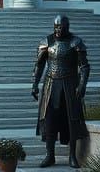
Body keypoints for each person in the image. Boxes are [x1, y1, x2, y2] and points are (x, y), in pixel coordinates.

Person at [31, 14, 90, 167]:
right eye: (56, 27)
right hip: (51, 84)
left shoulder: (75, 42)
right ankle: (50, 155)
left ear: (67, 27)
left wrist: (82, 85)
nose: (58, 30)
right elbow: (39, 65)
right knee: (49, 120)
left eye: (61, 27)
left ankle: (72, 156)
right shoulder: (47, 42)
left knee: (71, 119)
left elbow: (84, 66)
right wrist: (35, 84)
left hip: (70, 84)